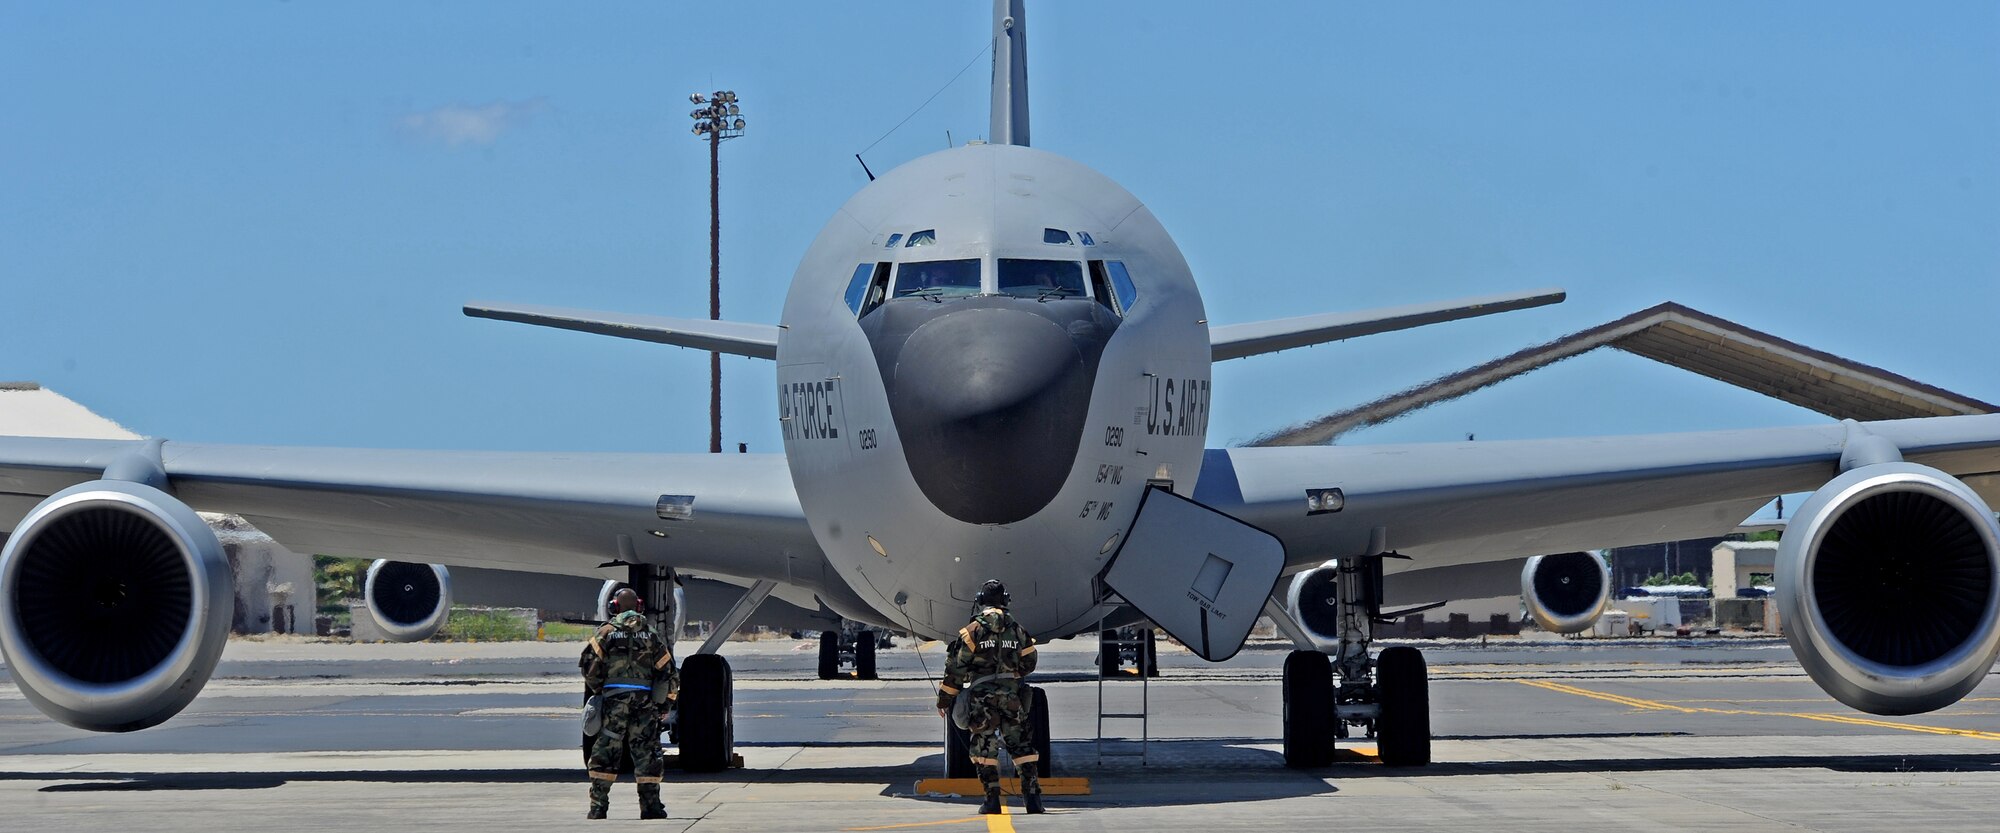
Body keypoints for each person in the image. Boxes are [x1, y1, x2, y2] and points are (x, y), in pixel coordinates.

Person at [935, 579, 1043, 814]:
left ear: (979, 602)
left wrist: (944, 700)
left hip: (981, 699)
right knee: (1021, 745)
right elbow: (1030, 662)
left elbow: (956, 671)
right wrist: (1011, 673)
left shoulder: (971, 632)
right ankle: (1033, 800)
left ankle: (992, 801)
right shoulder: (1017, 629)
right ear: (1005, 601)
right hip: (1011, 696)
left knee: (984, 748)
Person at [581, 588, 676, 819]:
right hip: (644, 704)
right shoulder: (651, 635)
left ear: (615, 607)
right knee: (647, 753)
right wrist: (664, 705)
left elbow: (588, 666)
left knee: (606, 751)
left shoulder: (605, 633)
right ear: (639, 606)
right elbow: (669, 673)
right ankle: (651, 807)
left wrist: (601, 690)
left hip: (615, 703)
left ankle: (598, 808)